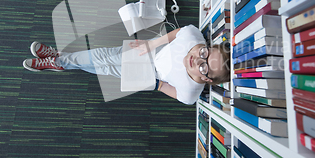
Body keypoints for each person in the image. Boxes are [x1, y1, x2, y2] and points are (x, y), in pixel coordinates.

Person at [22, 25, 231, 104]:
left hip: (151, 75)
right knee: (103, 56)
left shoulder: (190, 93)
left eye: (204, 66)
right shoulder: (193, 36)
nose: (197, 58)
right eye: (204, 52)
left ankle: (60, 61)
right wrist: (151, 44)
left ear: (206, 79)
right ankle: (59, 60)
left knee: (105, 68)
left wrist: (153, 84)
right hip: (151, 52)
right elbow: (177, 33)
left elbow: (168, 88)